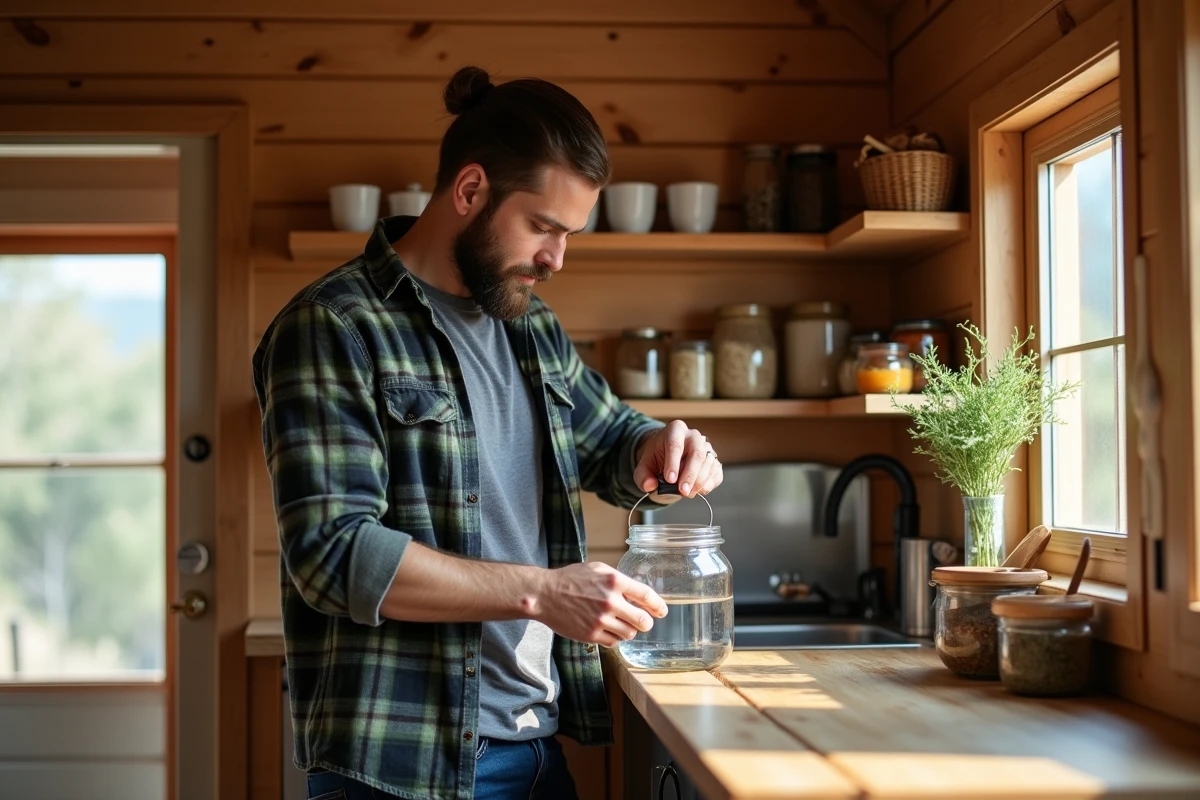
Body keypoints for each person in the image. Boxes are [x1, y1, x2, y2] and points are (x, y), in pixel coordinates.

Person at [252, 65, 724, 800]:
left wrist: (662, 449)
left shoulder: (530, 326)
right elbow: (334, 556)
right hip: (398, 765)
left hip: (534, 747)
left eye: (568, 234)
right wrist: (541, 594)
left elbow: (610, 442)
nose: (555, 258)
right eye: (543, 227)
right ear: (470, 191)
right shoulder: (333, 326)